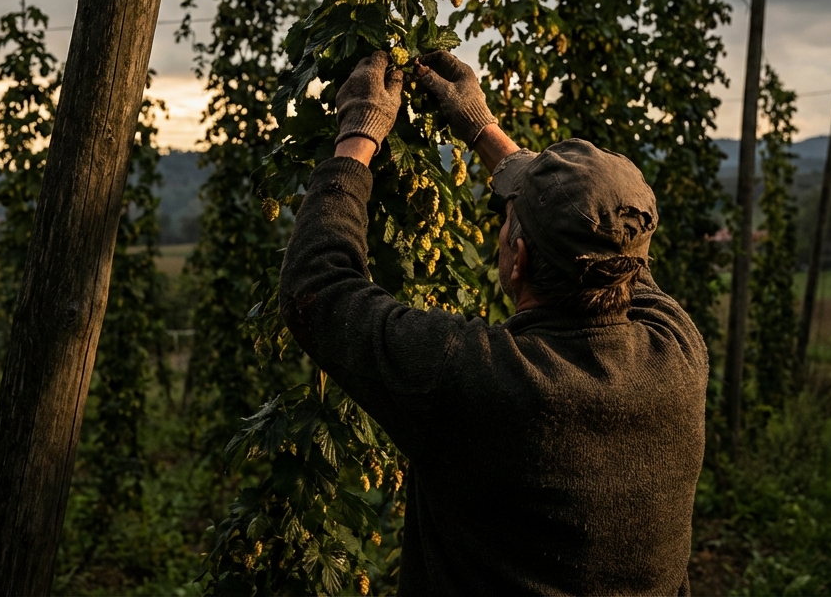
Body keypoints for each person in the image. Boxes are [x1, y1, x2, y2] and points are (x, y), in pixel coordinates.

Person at [278, 49, 708, 595]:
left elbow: (318, 287)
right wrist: (483, 130)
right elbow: (612, 249)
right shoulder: (678, 352)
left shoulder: (480, 379)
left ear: (517, 258)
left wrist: (358, 135)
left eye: (508, 225)